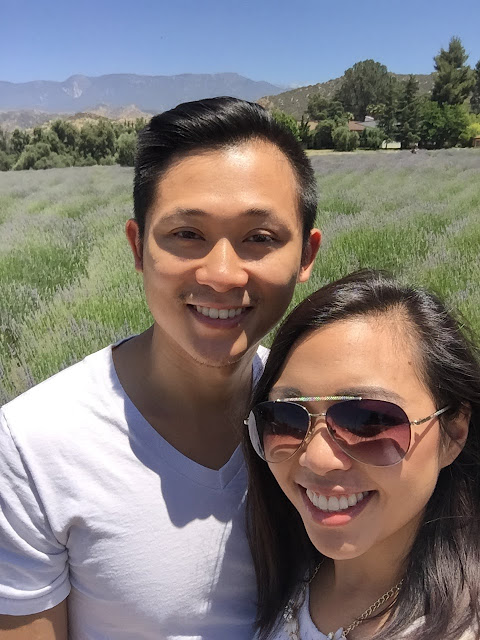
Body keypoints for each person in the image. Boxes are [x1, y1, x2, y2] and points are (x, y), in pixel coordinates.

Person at [0, 97, 321, 639]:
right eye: (187, 234)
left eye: (260, 238)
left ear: (306, 256)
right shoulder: (34, 447)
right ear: (137, 247)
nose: (222, 274)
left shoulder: (332, 423)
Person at [244, 269, 480, 640]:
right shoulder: (280, 572)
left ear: (454, 432)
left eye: (369, 421)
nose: (317, 458)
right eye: (286, 418)